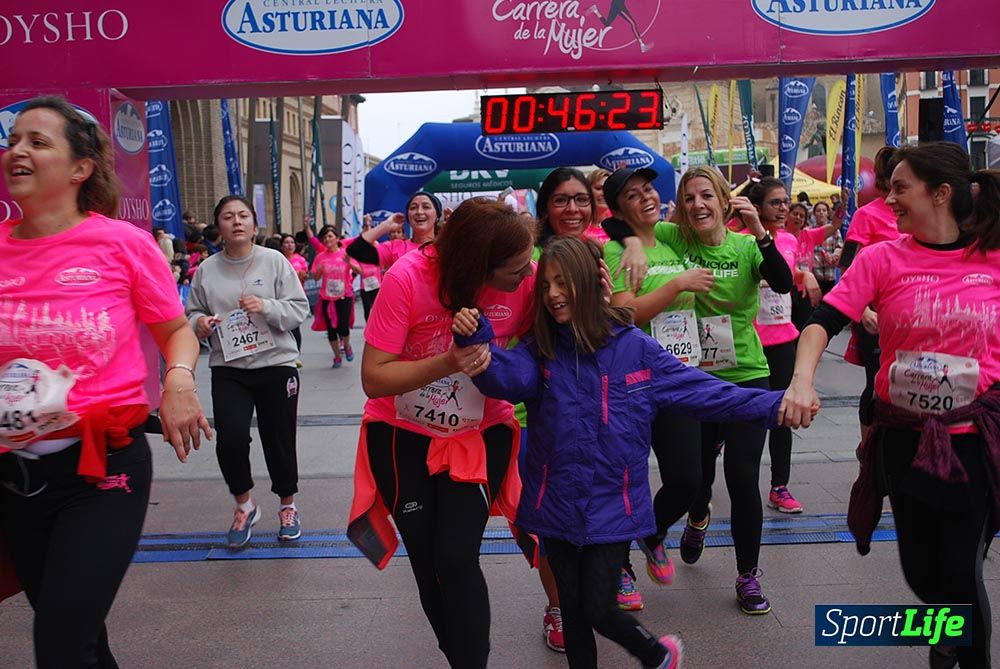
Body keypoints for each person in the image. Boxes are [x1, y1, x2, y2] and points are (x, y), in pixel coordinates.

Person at [452, 236, 787, 669]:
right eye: (546, 286)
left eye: (563, 283)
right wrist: (477, 337)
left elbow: (707, 393)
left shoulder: (635, 349)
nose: (553, 295)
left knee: (598, 607)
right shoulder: (541, 352)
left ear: (592, 283)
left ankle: (655, 654)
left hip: (614, 505)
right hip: (553, 502)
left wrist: (774, 405)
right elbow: (503, 376)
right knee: (572, 611)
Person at [0, 96, 213, 668]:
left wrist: (179, 384)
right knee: (79, 639)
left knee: (60, 644)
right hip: (15, 477)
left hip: (102, 469)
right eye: (14, 139)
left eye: (38, 142)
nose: (17, 150)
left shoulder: (122, 244)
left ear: (79, 168)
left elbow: (177, 332)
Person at [779, 141, 1000, 669]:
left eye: (900, 188)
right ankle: (945, 627)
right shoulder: (882, 257)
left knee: (960, 568)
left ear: (940, 193)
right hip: (903, 437)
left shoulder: (992, 257)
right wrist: (801, 381)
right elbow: (821, 322)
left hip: (975, 442)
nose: (889, 198)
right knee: (921, 572)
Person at [347, 198, 537, 669]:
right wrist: (449, 361)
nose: (525, 274)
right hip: (401, 435)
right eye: (513, 270)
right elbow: (374, 377)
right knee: (429, 567)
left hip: (481, 432)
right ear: (477, 265)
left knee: (455, 556)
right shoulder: (408, 277)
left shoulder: (527, 281)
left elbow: (557, 333)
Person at [606, 166, 794, 615]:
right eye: (689, 199)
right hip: (691, 377)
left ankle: (747, 574)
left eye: (707, 196)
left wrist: (760, 232)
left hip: (746, 372)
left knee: (744, 474)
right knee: (695, 479)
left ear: (725, 200)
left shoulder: (747, 244)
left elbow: (783, 282)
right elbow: (621, 220)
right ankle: (689, 520)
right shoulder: (677, 237)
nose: (698, 206)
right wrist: (631, 240)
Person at [602, 166, 715, 610]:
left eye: (648, 189)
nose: (646, 197)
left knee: (688, 480)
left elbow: (707, 218)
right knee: (623, 482)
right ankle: (619, 568)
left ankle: (650, 534)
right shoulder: (613, 252)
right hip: (631, 383)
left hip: (678, 377)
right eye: (633, 195)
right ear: (618, 209)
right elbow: (623, 313)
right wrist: (676, 285)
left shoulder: (670, 236)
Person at [186, 195, 310, 548]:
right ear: (218, 227)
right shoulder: (207, 270)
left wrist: (266, 306)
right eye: (228, 217)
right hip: (230, 367)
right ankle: (245, 505)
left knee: (279, 437)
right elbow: (191, 312)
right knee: (231, 438)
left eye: (243, 215)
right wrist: (201, 324)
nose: (236, 221)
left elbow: (298, 309)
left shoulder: (274, 262)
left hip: (276, 364)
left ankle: (288, 506)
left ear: (255, 225)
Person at [840, 146, 900, 442]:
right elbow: (846, 264)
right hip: (873, 315)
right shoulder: (867, 215)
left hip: (908, 315)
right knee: (877, 384)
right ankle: (868, 450)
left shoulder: (916, 213)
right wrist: (862, 310)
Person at [307, 225, 360, 368]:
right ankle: (337, 356)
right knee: (331, 330)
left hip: (344, 296)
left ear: (337, 238)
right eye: (324, 237)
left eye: (330, 236)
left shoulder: (345, 254)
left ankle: (347, 345)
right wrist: (317, 271)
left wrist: (350, 263)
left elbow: (359, 270)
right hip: (327, 297)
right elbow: (316, 278)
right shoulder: (320, 257)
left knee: (343, 326)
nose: (327, 239)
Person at [346, 190, 441, 270]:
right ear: (408, 217)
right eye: (413, 208)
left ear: (437, 216)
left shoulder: (445, 247)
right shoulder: (396, 247)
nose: (419, 212)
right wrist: (386, 225)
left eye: (426, 207)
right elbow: (355, 250)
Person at [810, 202, 843, 294]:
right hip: (815, 276)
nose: (821, 213)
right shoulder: (809, 231)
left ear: (827, 213)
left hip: (831, 275)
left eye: (824, 210)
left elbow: (839, 246)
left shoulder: (834, 230)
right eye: (818, 210)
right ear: (814, 214)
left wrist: (834, 256)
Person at [587, 167, 612, 243]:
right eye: (598, 188)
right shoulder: (578, 222)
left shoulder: (620, 220)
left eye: (608, 189)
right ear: (587, 191)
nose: (604, 193)